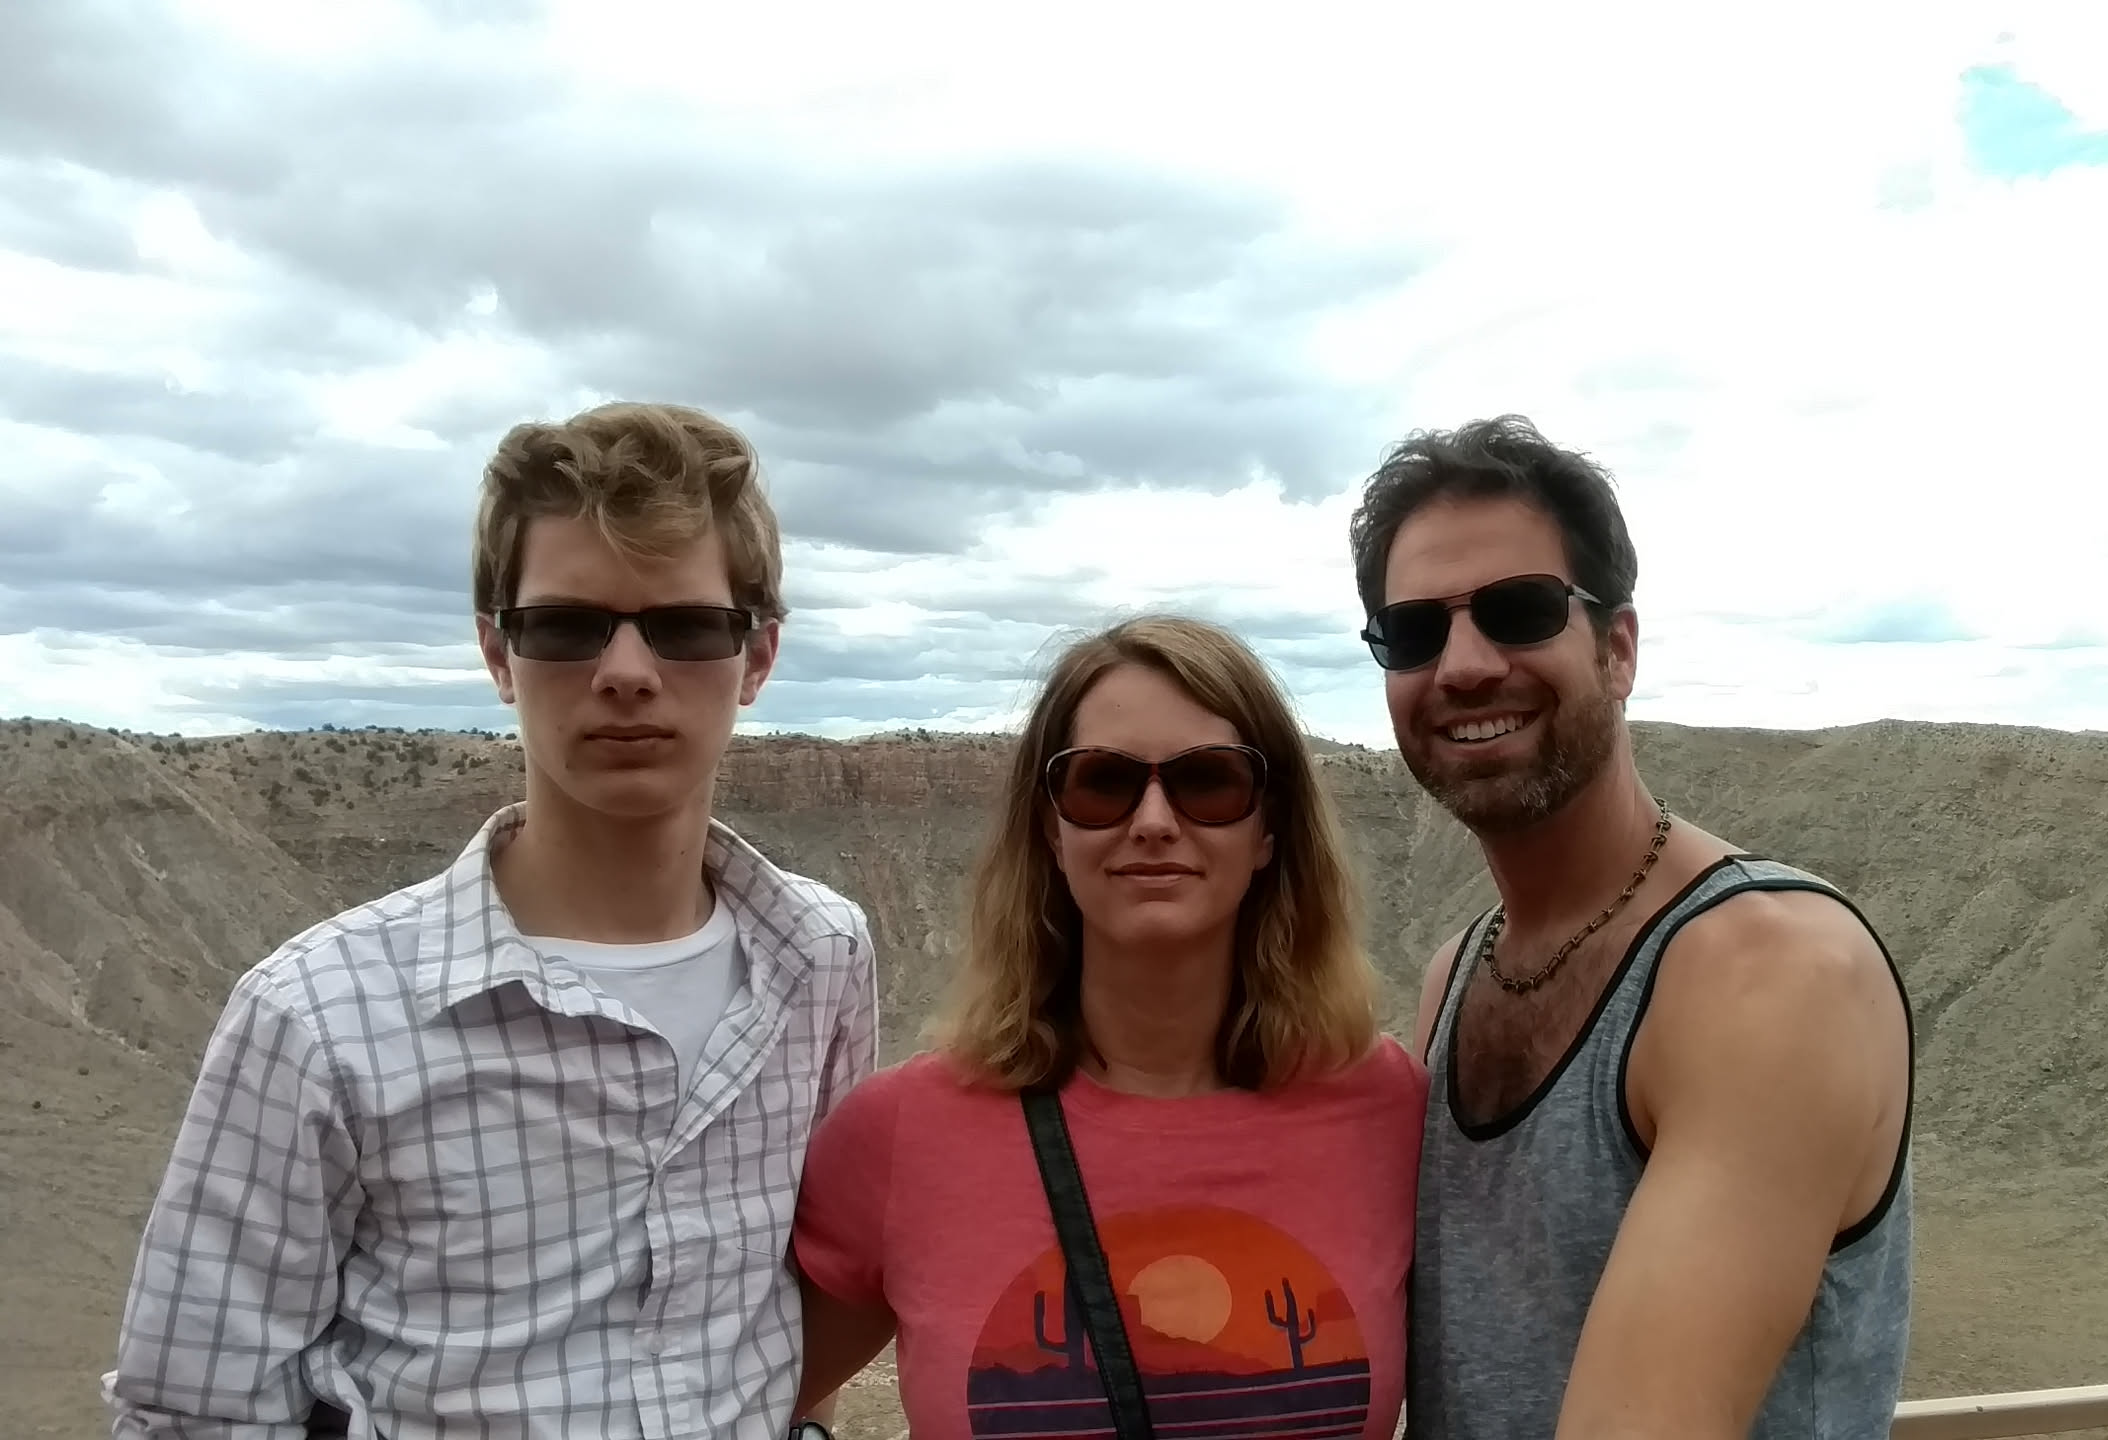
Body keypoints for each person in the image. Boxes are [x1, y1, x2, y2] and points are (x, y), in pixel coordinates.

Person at [106, 402, 879, 1439]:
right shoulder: (315, 1017)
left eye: (687, 626)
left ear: (759, 656)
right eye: (565, 626)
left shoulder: (821, 957)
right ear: (498, 652)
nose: (627, 671)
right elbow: (195, 1408)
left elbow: (809, 1288)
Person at [1348, 416, 1916, 1440]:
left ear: (1617, 650)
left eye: (1519, 611)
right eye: (1413, 631)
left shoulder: (1768, 973)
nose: (1463, 665)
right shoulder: (1455, 978)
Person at [786, 615, 1427, 1440]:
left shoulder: (1389, 1113)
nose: (1154, 820)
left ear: (1270, 829)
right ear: (1051, 830)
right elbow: (731, 1398)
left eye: (1209, 782)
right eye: (1102, 783)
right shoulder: (900, 1134)